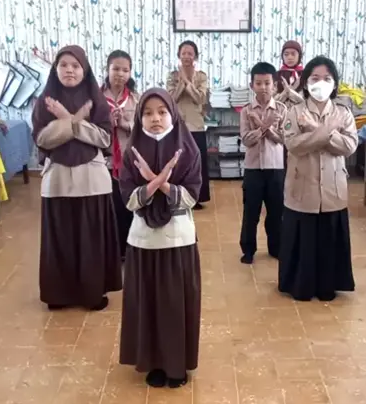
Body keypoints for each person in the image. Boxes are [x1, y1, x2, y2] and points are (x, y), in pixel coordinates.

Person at [118, 88, 202, 389]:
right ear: (139, 118)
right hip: (143, 241)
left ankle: (176, 364)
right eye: (148, 113)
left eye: (162, 112)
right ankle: (153, 362)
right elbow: (129, 201)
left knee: (175, 305)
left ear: (173, 115)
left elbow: (191, 198)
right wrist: (154, 182)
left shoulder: (188, 150)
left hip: (178, 240)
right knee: (148, 304)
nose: (155, 118)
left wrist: (162, 182)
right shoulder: (132, 152)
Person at [31, 45, 122, 311]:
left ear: (85, 70)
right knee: (60, 240)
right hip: (57, 179)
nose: (69, 70)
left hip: (91, 178)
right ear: (55, 69)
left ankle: (92, 293)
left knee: (90, 240)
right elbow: (42, 139)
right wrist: (78, 121)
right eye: (63, 65)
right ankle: (59, 294)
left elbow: (104, 138)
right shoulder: (45, 101)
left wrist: (66, 119)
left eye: (75, 65)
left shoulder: (96, 100)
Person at [278, 56, 358, 302]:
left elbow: (349, 146)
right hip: (302, 185)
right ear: (305, 82)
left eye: (327, 78)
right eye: (315, 78)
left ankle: (327, 286)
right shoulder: (295, 112)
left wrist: (314, 130)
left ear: (334, 84)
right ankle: (300, 285)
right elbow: (294, 145)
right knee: (303, 238)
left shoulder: (343, 113)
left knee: (328, 240)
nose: (320, 83)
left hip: (333, 186)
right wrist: (327, 133)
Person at [238, 62, 288, 264]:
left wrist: (261, 126)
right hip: (253, 168)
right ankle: (248, 250)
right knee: (251, 212)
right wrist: (264, 126)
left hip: (276, 168)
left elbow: (284, 139)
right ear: (252, 85)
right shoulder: (246, 111)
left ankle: (276, 247)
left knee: (276, 212)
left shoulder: (282, 109)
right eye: (258, 83)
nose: (263, 87)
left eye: (267, 83)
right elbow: (246, 140)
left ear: (274, 85)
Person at [101, 50, 139, 262]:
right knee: (106, 208)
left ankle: (126, 250)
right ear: (107, 70)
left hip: (127, 162)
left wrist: (125, 124)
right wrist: (108, 123)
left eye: (125, 70)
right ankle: (108, 251)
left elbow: (143, 130)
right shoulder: (96, 99)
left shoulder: (135, 99)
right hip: (102, 162)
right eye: (116, 69)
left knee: (126, 205)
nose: (120, 74)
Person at [167, 40, 210, 209]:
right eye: (183, 53)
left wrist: (188, 82)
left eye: (190, 53)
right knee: (178, 162)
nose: (186, 56)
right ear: (179, 55)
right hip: (177, 125)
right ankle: (177, 195)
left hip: (196, 124)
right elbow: (171, 99)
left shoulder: (201, 76)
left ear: (195, 57)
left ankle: (196, 197)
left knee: (196, 162)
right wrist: (182, 82)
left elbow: (201, 98)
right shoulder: (172, 76)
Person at [275, 40, 305, 106]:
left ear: (299, 56)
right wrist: (287, 91)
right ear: (282, 56)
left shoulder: (305, 75)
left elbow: (306, 101)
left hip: (301, 111)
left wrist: (289, 91)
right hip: (280, 110)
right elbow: (272, 101)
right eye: (286, 54)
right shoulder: (277, 75)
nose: (290, 57)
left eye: (293, 54)